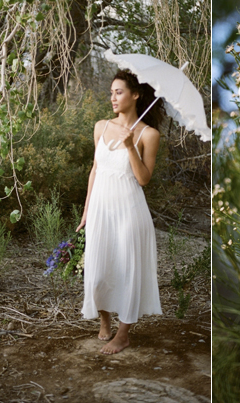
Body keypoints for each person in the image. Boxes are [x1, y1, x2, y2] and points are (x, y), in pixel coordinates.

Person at [76, 69, 164, 355]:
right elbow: (95, 170)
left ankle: (123, 333)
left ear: (135, 95)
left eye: (119, 92)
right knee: (99, 267)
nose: (112, 97)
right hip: (101, 207)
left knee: (127, 270)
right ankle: (104, 321)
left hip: (130, 210)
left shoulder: (149, 134)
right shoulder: (101, 126)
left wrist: (130, 147)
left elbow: (143, 179)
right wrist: (86, 210)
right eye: (111, 92)